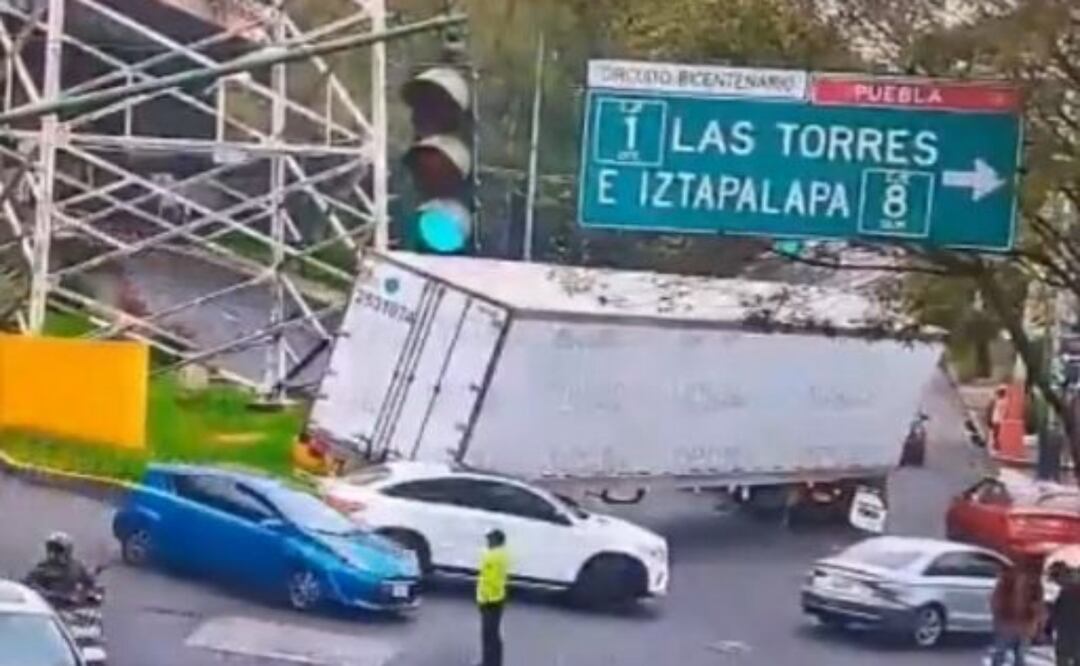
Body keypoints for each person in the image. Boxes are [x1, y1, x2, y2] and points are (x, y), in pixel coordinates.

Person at [989, 556, 1045, 666]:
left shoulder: (1034, 584)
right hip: (1009, 623)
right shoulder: (1006, 581)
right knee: (1002, 653)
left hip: (1022, 625)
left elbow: (1039, 605)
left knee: (1018, 655)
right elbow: (995, 601)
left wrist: (1038, 622)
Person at [24, 532, 96, 604]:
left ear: (67, 551)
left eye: (58, 550)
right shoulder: (42, 567)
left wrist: (89, 595)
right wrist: (50, 595)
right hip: (48, 607)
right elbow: (29, 585)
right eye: (51, 549)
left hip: (73, 607)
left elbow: (90, 583)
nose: (53, 553)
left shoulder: (77, 566)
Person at [476, 529, 509, 666]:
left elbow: (489, 580)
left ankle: (488, 663)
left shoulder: (492, 557)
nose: (487, 542)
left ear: (496, 541)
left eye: (490, 540)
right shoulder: (502, 555)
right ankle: (494, 661)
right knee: (494, 634)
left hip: (490, 600)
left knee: (488, 634)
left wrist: (483, 599)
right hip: (497, 599)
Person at [1050, 562, 1080, 666]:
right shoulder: (1065, 592)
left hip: (1064, 635)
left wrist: (1050, 628)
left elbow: (1055, 612)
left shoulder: (1065, 593)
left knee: (1062, 659)